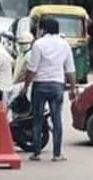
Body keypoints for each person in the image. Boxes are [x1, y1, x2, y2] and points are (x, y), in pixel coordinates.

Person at [24, 17, 76, 162]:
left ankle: (36, 153)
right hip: (57, 85)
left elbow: (32, 69)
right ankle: (57, 154)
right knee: (57, 119)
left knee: (37, 120)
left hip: (40, 85)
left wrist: (26, 85)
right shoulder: (64, 45)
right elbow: (70, 69)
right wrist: (72, 88)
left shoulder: (38, 44)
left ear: (44, 29)